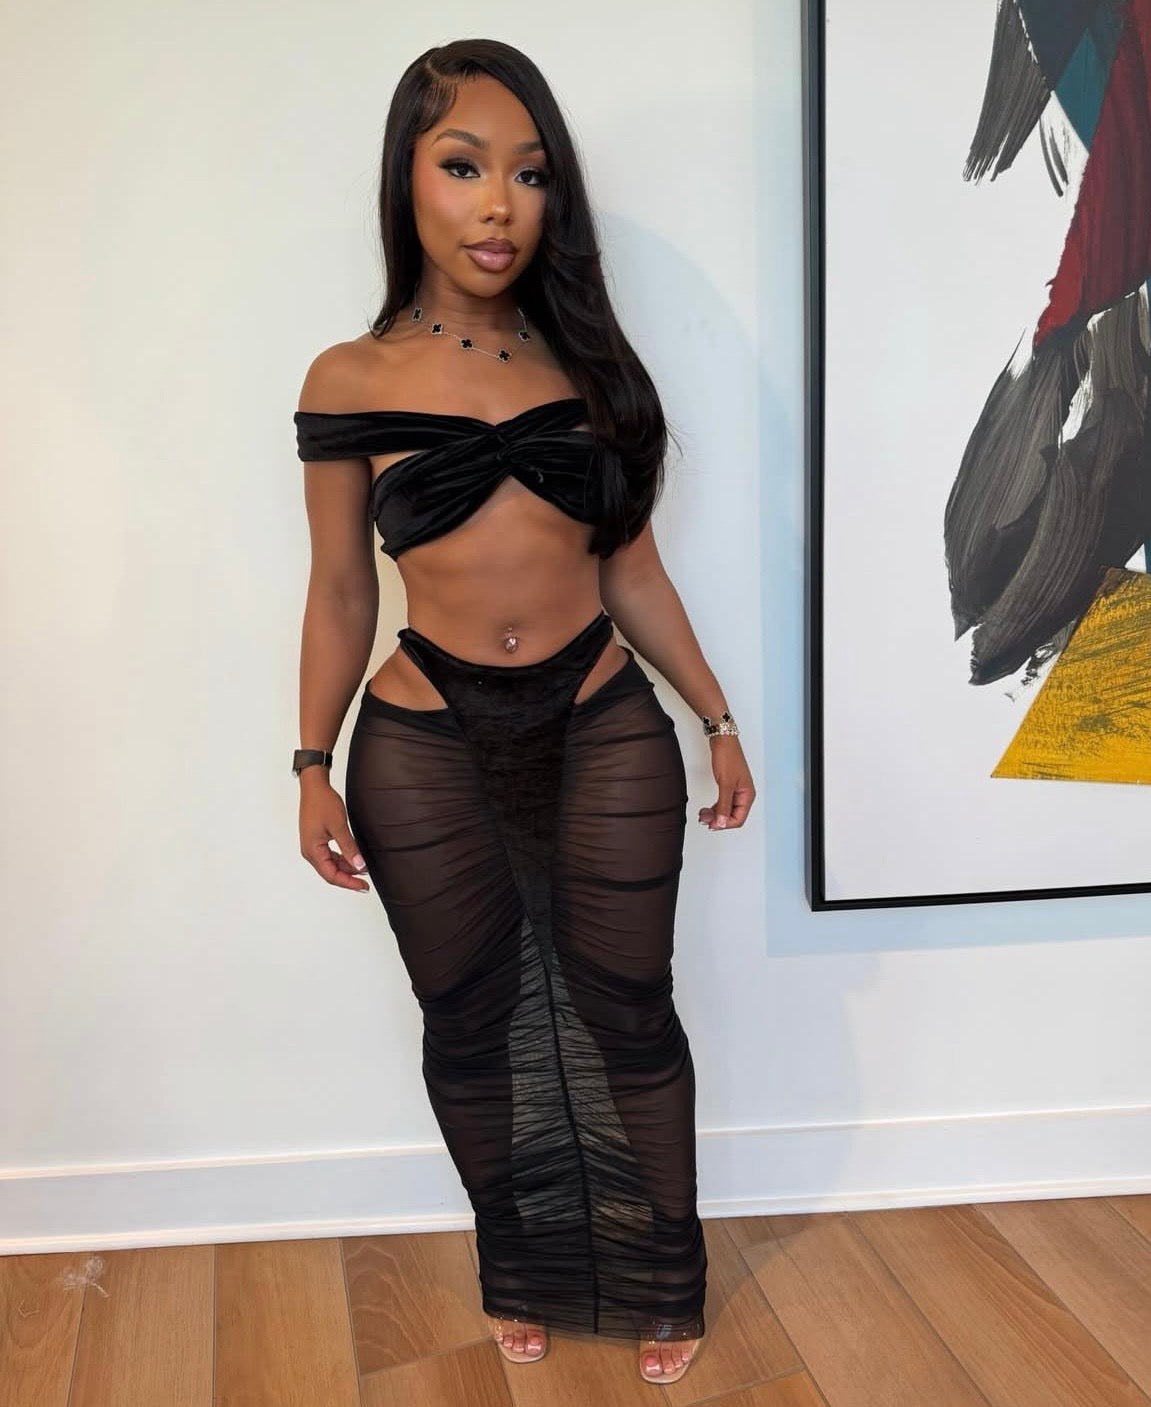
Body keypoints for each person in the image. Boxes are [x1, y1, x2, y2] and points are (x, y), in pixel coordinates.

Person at [291, 38, 756, 1387]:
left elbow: (633, 570)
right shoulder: (347, 378)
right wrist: (310, 762)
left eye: (531, 173)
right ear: (409, 179)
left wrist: (715, 716)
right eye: (463, 165)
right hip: (425, 733)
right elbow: (339, 588)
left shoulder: (589, 365)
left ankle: (664, 1278)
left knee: (630, 1008)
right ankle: (523, 1269)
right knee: (470, 1020)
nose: (499, 203)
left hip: (602, 713)